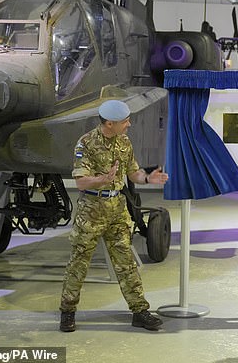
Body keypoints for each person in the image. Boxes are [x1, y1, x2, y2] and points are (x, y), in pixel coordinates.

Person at [59, 99, 169, 332]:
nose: (129, 124)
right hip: (91, 210)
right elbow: (80, 182)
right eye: (125, 121)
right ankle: (67, 312)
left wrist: (148, 178)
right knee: (79, 262)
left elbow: (133, 173)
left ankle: (139, 311)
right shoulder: (86, 143)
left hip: (117, 209)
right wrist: (101, 180)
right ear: (109, 123)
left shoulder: (124, 142)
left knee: (126, 263)